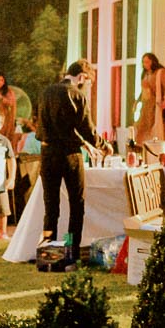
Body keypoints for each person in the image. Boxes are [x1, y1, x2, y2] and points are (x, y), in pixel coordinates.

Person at [36, 59, 107, 265]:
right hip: (69, 156)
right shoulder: (78, 95)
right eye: (89, 82)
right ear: (82, 77)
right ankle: (70, 252)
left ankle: (49, 255)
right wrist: (103, 144)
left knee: (51, 207)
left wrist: (85, 142)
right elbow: (87, 128)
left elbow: (51, 125)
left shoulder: (46, 92)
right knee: (77, 205)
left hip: (47, 153)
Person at [133, 52, 165, 150]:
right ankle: (142, 148)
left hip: (155, 104)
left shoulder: (160, 73)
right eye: (143, 62)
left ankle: (156, 149)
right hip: (146, 105)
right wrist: (137, 102)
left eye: (147, 62)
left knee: (154, 126)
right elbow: (143, 91)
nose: (145, 64)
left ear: (153, 61)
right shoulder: (145, 74)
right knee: (142, 127)